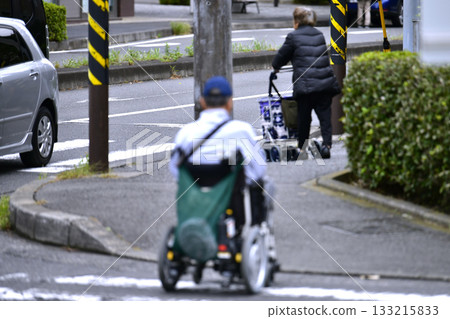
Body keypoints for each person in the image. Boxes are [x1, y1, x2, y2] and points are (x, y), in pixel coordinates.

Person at [169, 76, 267, 185]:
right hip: (233, 198)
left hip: (196, 197)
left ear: (202, 102)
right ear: (230, 102)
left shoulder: (185, 133)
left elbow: (176, 170)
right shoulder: (242, 130)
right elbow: (259, 170)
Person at [272, 7, 340, 159]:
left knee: (304, 118)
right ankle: (326, 146)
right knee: (324, 116)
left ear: (296, 21)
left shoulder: (293, 37)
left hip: (305, 85)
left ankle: (302, 150)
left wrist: (276, 67)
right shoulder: (319, 34)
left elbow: (281, 56)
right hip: (324, 84)